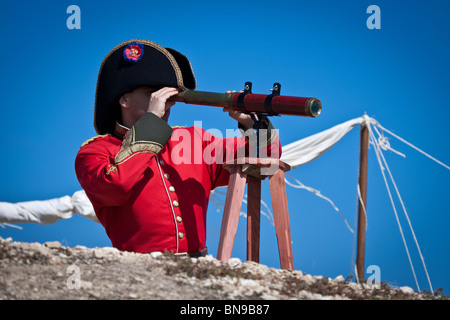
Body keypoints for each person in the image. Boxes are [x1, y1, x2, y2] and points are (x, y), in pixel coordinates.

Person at [75, 39, 281, 257]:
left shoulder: (191, 140)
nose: (165, 102)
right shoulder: (95, 151)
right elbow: (116, 187)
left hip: (198, 269)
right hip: (136, 272)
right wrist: (151, 123)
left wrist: (251, 123)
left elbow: (264, 160)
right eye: (151, 93)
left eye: (168, 95)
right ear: (124, 99)